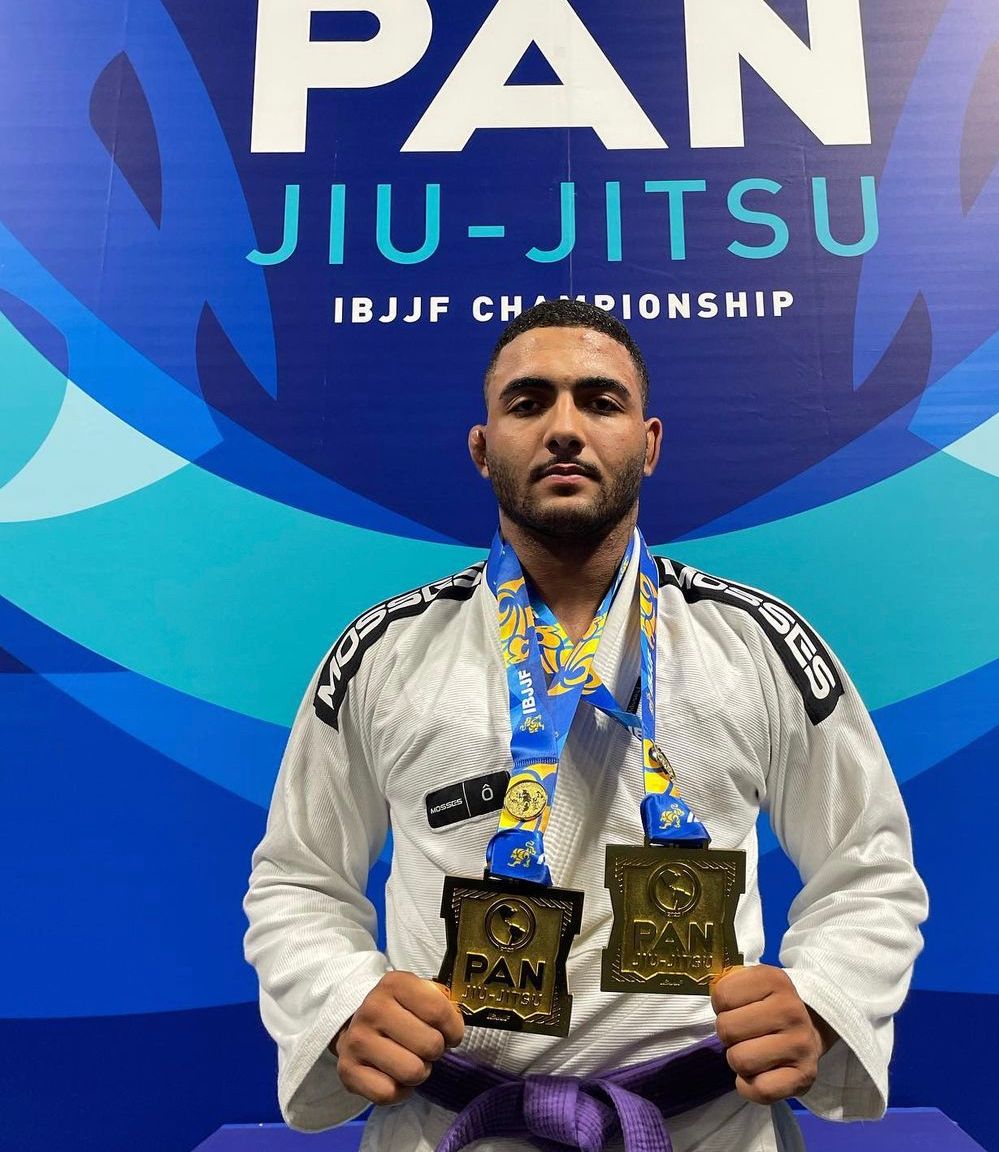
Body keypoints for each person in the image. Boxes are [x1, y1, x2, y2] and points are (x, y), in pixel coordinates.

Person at [243, 300, 928, 1152]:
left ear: (649, 442)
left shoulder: (756, 642)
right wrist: (342, 997)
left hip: (708, 1128)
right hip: (457, 1126)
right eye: (529, 402)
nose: (564, 428)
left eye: (600, 402)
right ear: (482, 447)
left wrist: (822, 1001)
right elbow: (298, 878)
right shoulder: (387, 652)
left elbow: (870, 866)